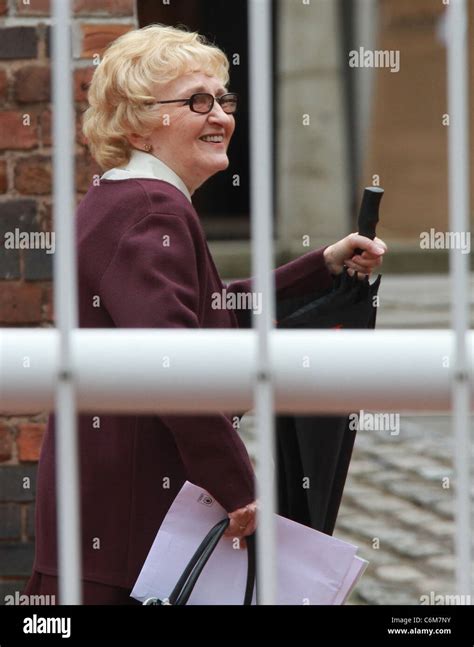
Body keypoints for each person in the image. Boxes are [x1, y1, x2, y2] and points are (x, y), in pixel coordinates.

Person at [23, 24, 387, 605]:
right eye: (197, 100)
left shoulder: (122, 199)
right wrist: (237, 486)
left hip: (109, 509)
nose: (220, 115)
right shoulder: (150, 208)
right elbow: (173, 361)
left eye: (224, 99)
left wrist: (322, 265)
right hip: (134, 521)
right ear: (140, 119)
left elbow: (206, 313)